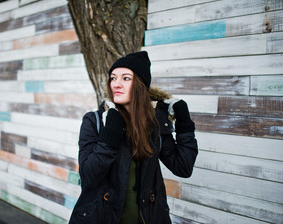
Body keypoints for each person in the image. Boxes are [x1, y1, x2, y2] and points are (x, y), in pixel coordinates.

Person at [69, 51, 198, 224]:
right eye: (113, 78)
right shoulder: (95, 121)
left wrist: (184, 123)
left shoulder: (154, 123)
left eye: (126, 78)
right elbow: (88, 178)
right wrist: (110, 135)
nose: (116, 84)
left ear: (140, 84)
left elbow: (183, 167)